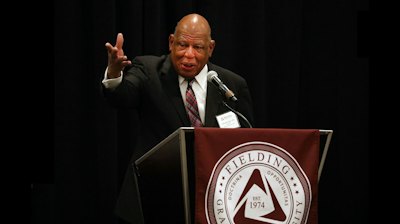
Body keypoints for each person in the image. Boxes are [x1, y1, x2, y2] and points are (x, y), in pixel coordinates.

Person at [102, 13, 254, 223]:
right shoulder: (148, 71)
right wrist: (114, 73)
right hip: (154, 197)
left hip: (213, 200)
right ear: (171, 42)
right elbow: (122, 96)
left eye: (198, 48)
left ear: (210, 48)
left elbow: (245, 141)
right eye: (182, 45)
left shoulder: (231, 85)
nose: (188, 55)